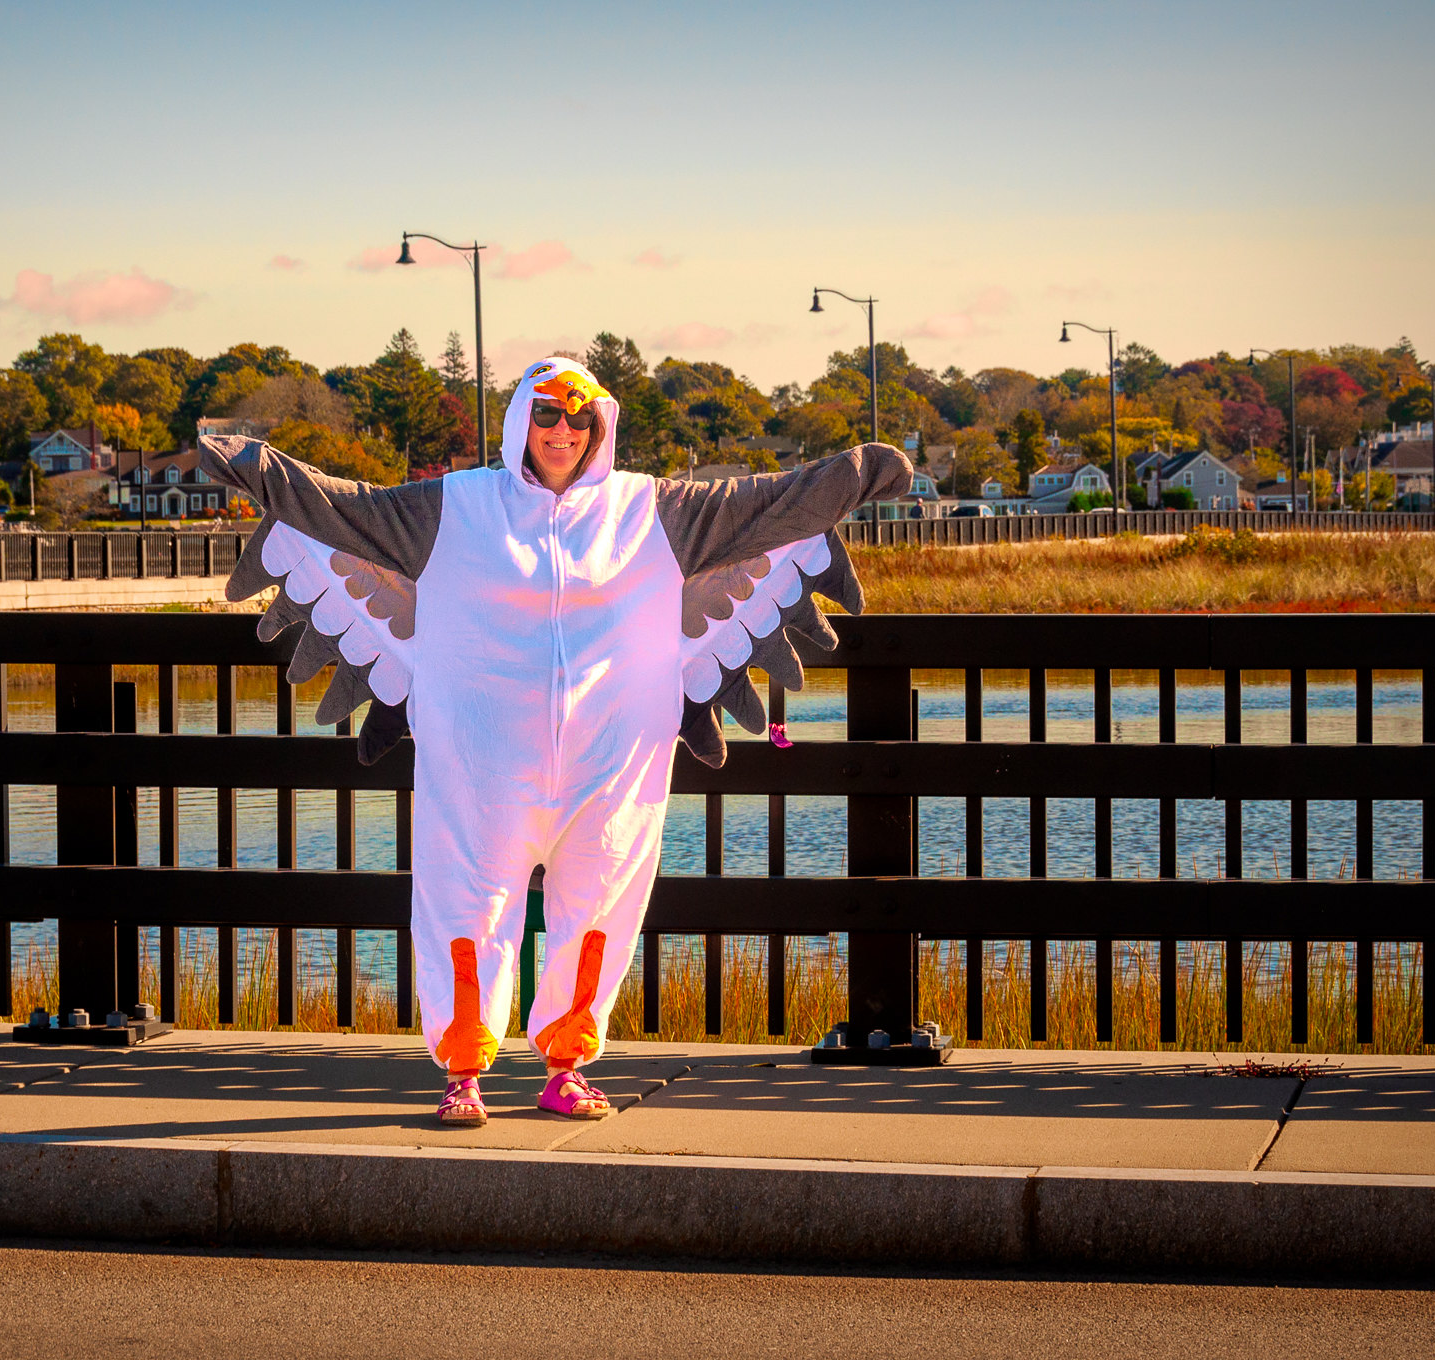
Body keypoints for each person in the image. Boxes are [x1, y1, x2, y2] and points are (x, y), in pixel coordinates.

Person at [200, 358, 911, 1126]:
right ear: (519, 423)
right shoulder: (452, 509)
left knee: (598, 912)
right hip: (480, 772)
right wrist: (251, 462)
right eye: (546, 415)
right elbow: (342, 507)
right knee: (465, 915)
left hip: (612, 769)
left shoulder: (653, 511)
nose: (563, 431)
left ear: (601, 424)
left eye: (579, 417)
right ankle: (464, 1069)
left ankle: (566, 1065)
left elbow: (769, 503)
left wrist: (857, 471)